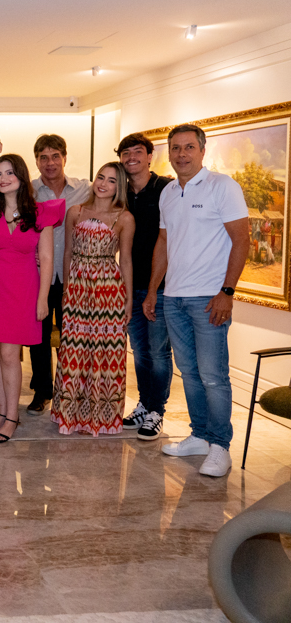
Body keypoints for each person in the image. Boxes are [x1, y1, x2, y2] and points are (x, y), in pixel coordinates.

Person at [148, 124, 249, 477]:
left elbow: (242, 240)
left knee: (213, 375)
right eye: (175, 148)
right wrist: (154, 290)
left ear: (203, 150)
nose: (181, 154)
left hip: (209, 298)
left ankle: (220, 446)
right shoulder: (168, 192)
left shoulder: (223, 186)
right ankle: (201, 436)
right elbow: (164, 243)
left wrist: (227, 292)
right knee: (189, 373)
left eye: (189, 147)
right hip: (174, 297)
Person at [0, 154, 64, 443]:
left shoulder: (41, 213)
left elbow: (47, 259)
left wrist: (43, 298)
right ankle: (1, 413)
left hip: (22, 289)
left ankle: (12, 416)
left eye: (9, 172)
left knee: (10, 354)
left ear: (21, 176)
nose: (3, 178)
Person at [51, 162, 135, 435]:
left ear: (119, 187)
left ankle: (100, 417)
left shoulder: (125, 218)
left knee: (105, 351)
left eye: (112, 180)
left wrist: (128, 299)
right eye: (101, 177)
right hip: (77, 287)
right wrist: (67, 288)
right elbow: (67, 252)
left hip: (108, 290)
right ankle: (69, 414)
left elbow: (126, 260)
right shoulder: (75, 212)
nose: (103, 184)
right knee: (73, 349)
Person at [28, 134, 91, 416]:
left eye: (55, 156)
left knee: (71, 336)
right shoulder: (28, 191)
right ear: (36, 161)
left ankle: (70, 392)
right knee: (38, 337)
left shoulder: (85, 189)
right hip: (37, 275)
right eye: (43, 157)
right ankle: (42, 391)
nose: (50, 163)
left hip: (73, 275)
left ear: (65, 157)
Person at [117, 133, 174, 440]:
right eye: (125, 153)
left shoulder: (166, 189)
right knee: (140, 351)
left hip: (162, 286)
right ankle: (144, 404)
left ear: (150, 156)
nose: (131, 157)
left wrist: (153, 289)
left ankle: (156, 411)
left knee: (159, 352)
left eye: (137, 151)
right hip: (130, 285)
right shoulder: (122, 193)